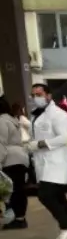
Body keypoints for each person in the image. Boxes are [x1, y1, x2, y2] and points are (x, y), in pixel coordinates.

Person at [28, 83, 67, 239]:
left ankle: (66, 228)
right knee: (58, 197)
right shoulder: (35, 115)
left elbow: (64, 138)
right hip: (43, 163)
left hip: (57, 162)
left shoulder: (59, 115)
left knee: (46, 195)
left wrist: (39, 144)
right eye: (34, 95)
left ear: (48, 95)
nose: (36, 98)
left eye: (39, 94)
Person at [0, 97, 30, 230]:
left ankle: (16, 218)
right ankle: (20, 218)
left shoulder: (1, 121)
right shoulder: (12, 119)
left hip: (10, 160)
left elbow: (1, 144)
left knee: (11, 191)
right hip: (20, 158)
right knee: (18, 190)